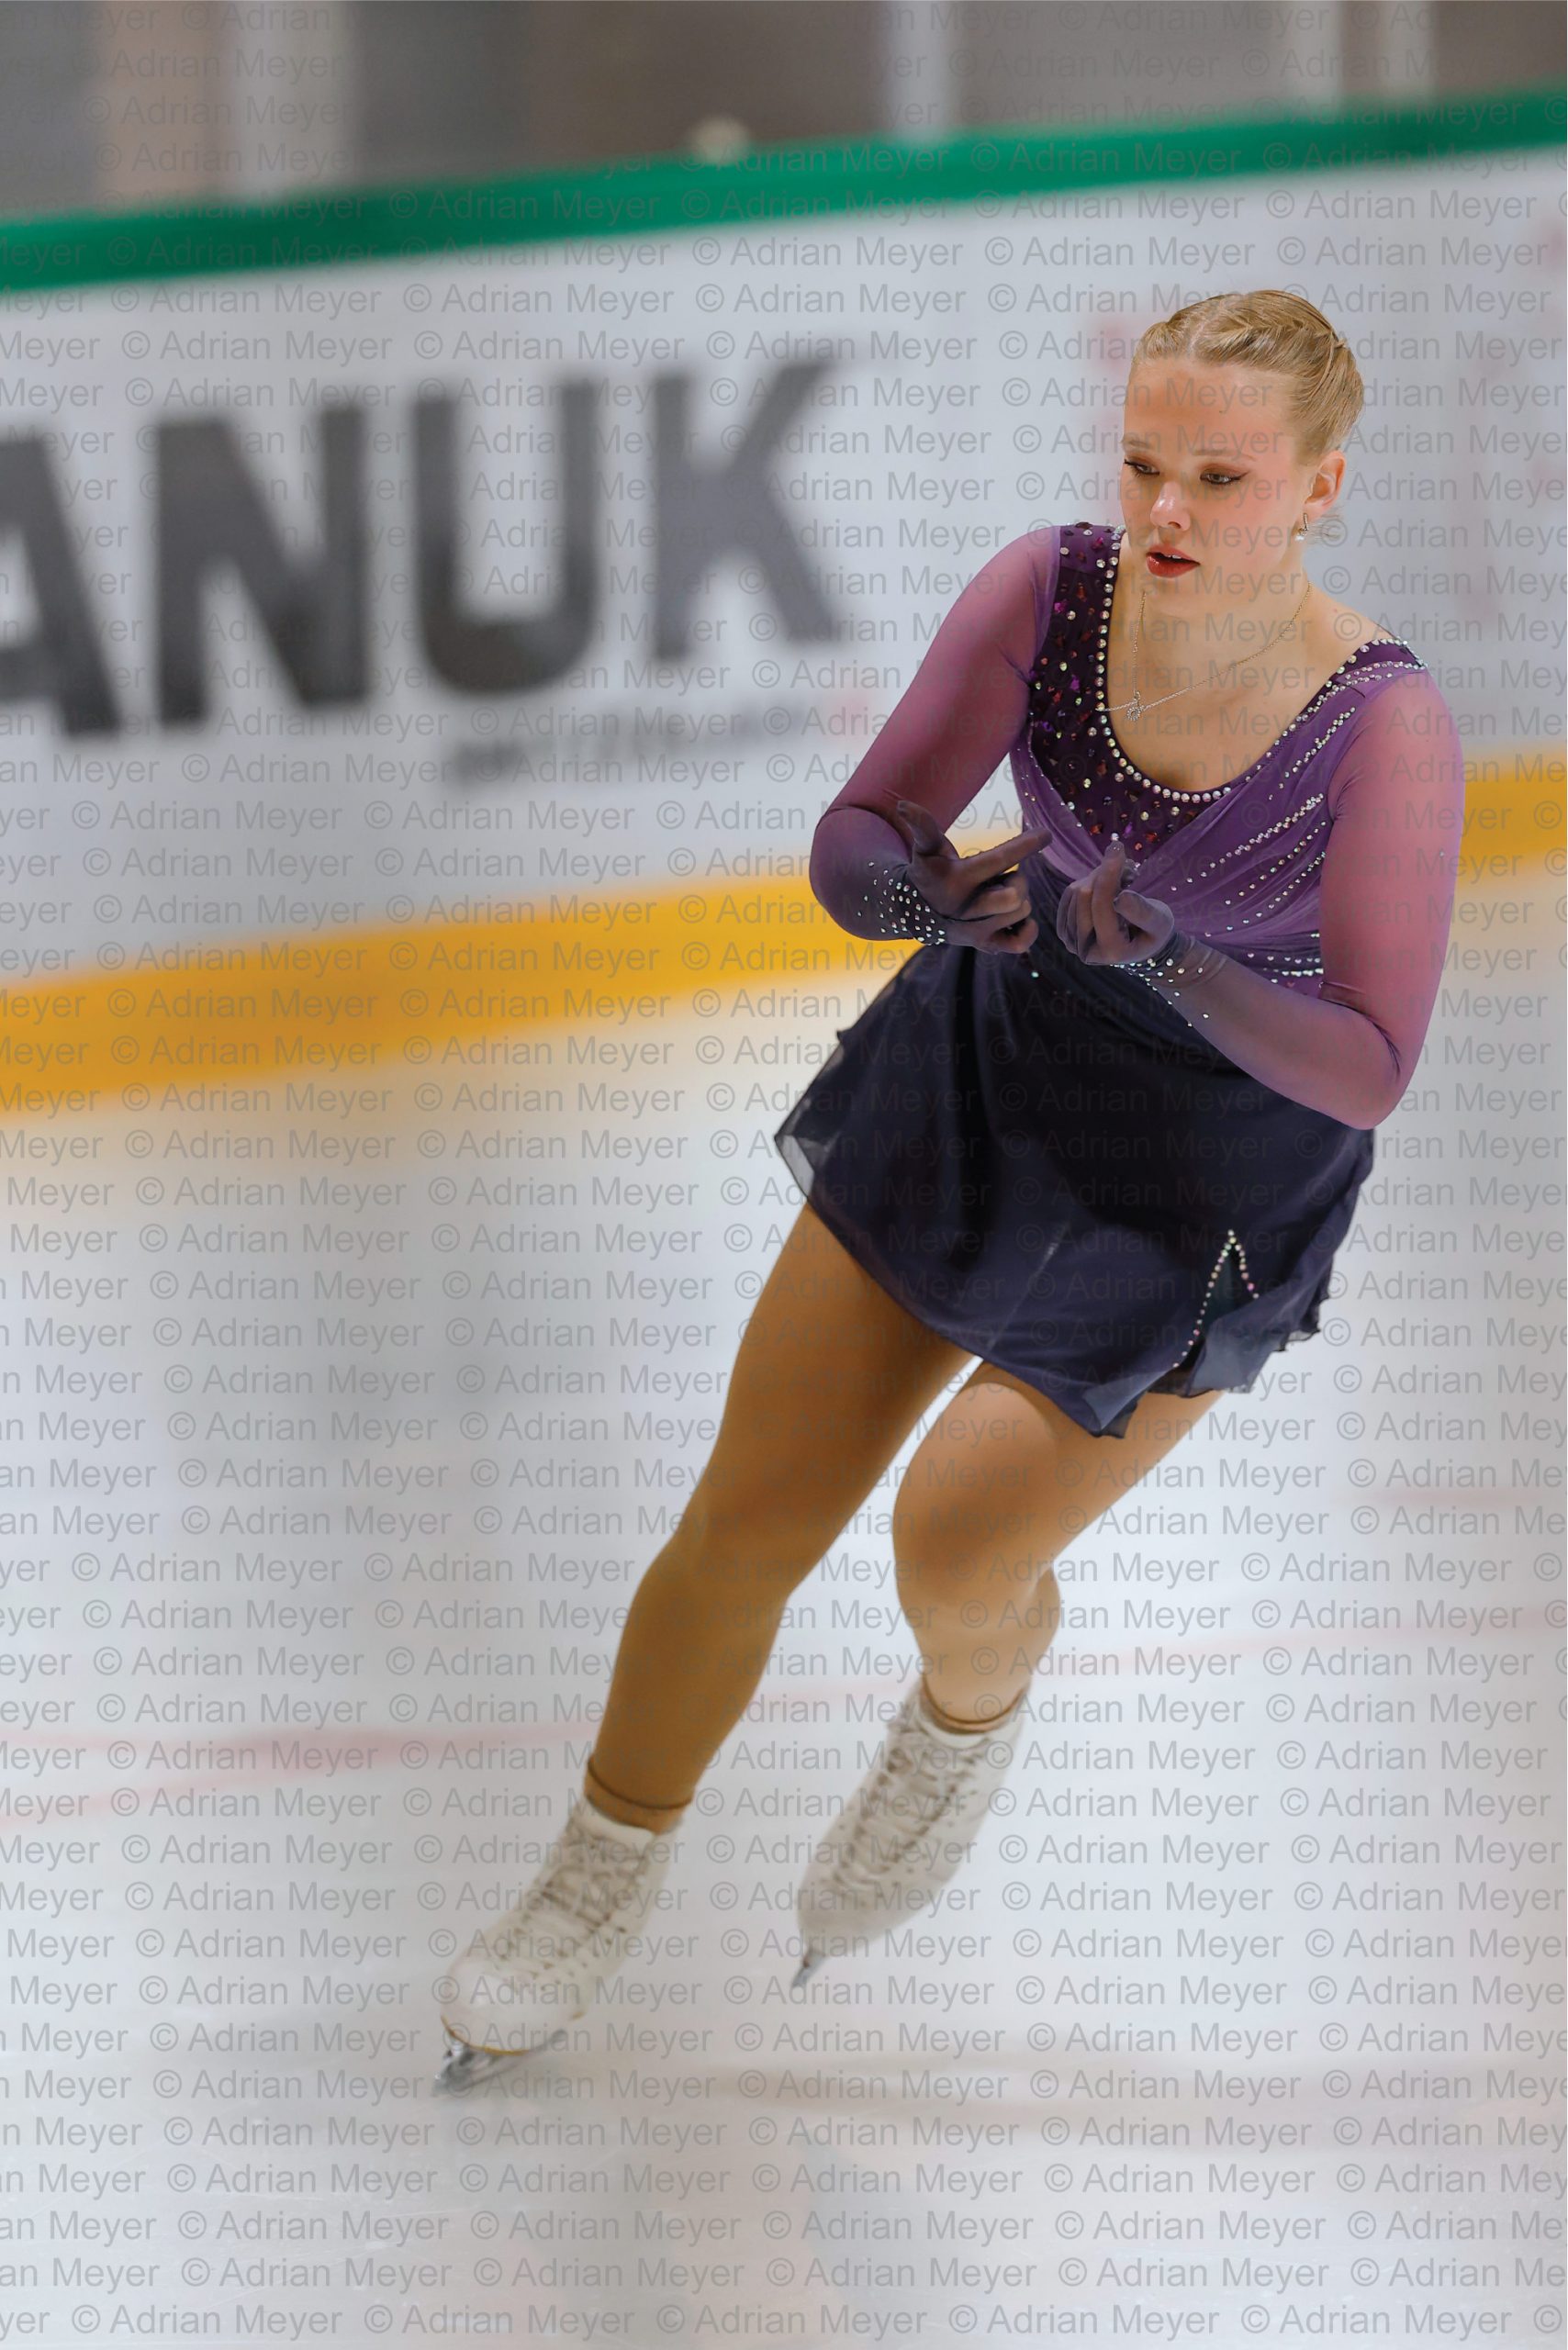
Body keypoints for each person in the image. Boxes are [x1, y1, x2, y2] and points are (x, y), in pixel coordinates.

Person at [436, 288, 1467, 2084]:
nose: (1163, 510)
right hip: (985, 1071)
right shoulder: (1048, 595)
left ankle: (963, 1717)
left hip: (1204, 1179)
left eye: (1219, 477)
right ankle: (592, 1871)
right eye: (1142, 462)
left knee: (955, 1542)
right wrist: (929, 897)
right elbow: (855, 841)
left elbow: (1372, 1059)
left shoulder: (1382, 730)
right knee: (748, 1517)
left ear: (1318, 486)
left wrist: (1174, 964)